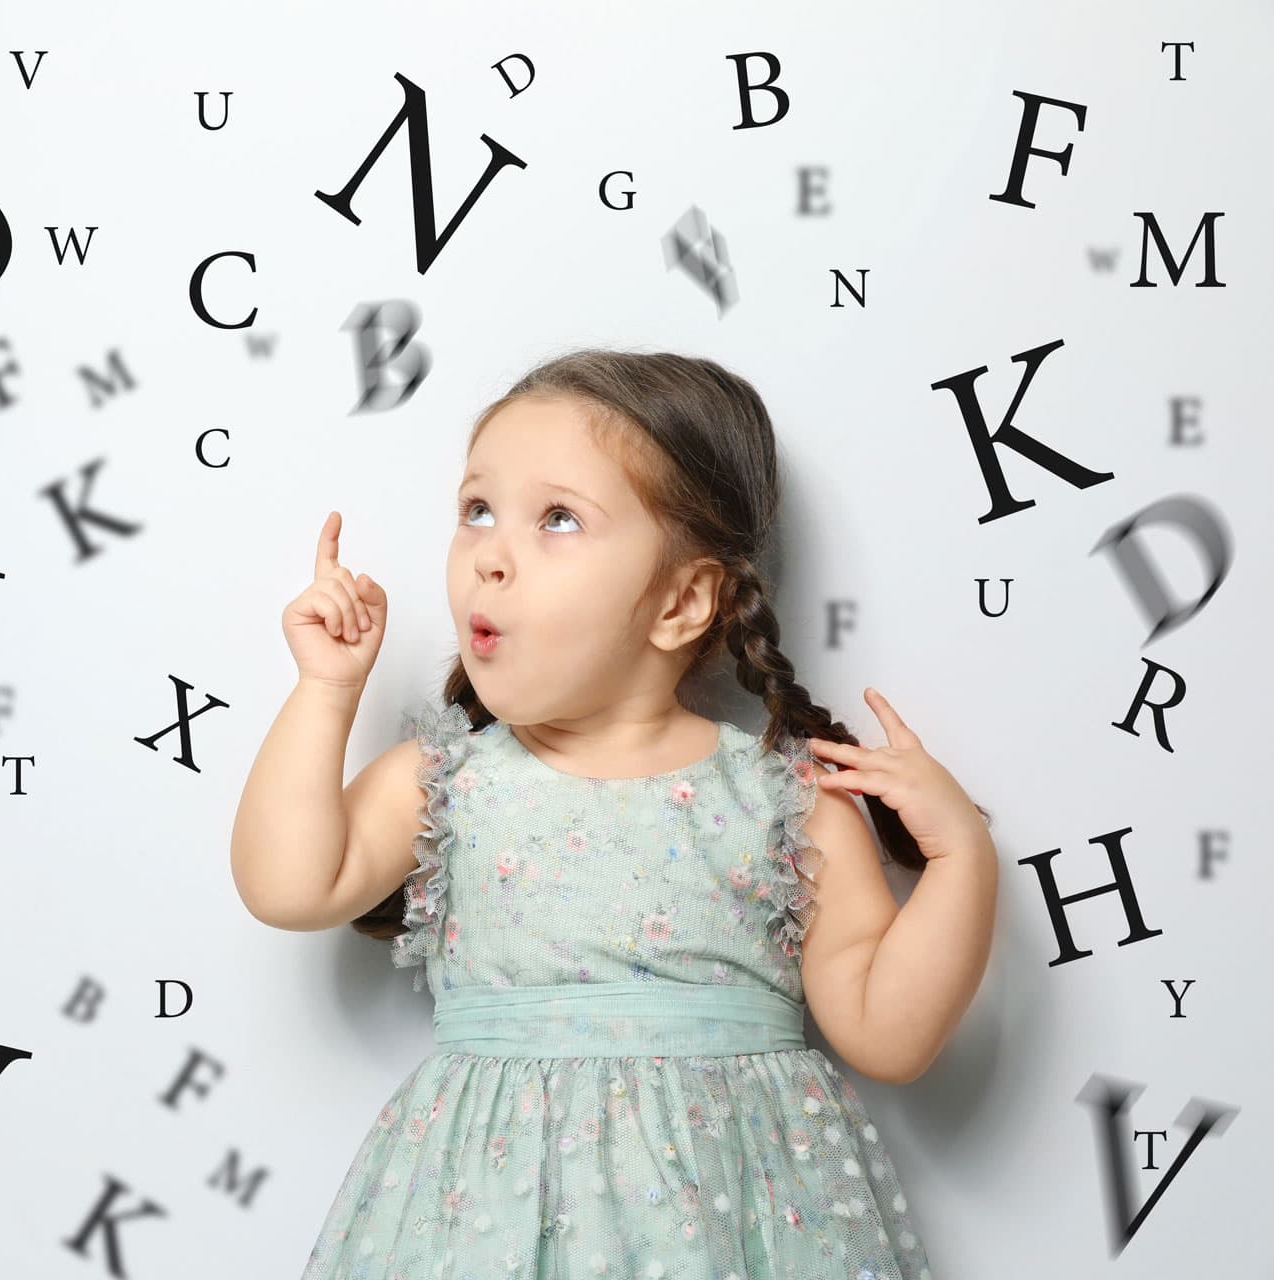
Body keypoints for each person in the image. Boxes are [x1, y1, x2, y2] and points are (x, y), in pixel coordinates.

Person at [229, 348, 998, 1279]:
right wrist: (327, 689)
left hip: (740, 1227)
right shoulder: (445, 780)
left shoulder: (783, 803)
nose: (492, 557)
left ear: (680, 601)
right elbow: (288, 885)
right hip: (485, 1221)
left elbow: (891, 1034)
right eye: (477, 510)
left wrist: (959, 858)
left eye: (557, 519)